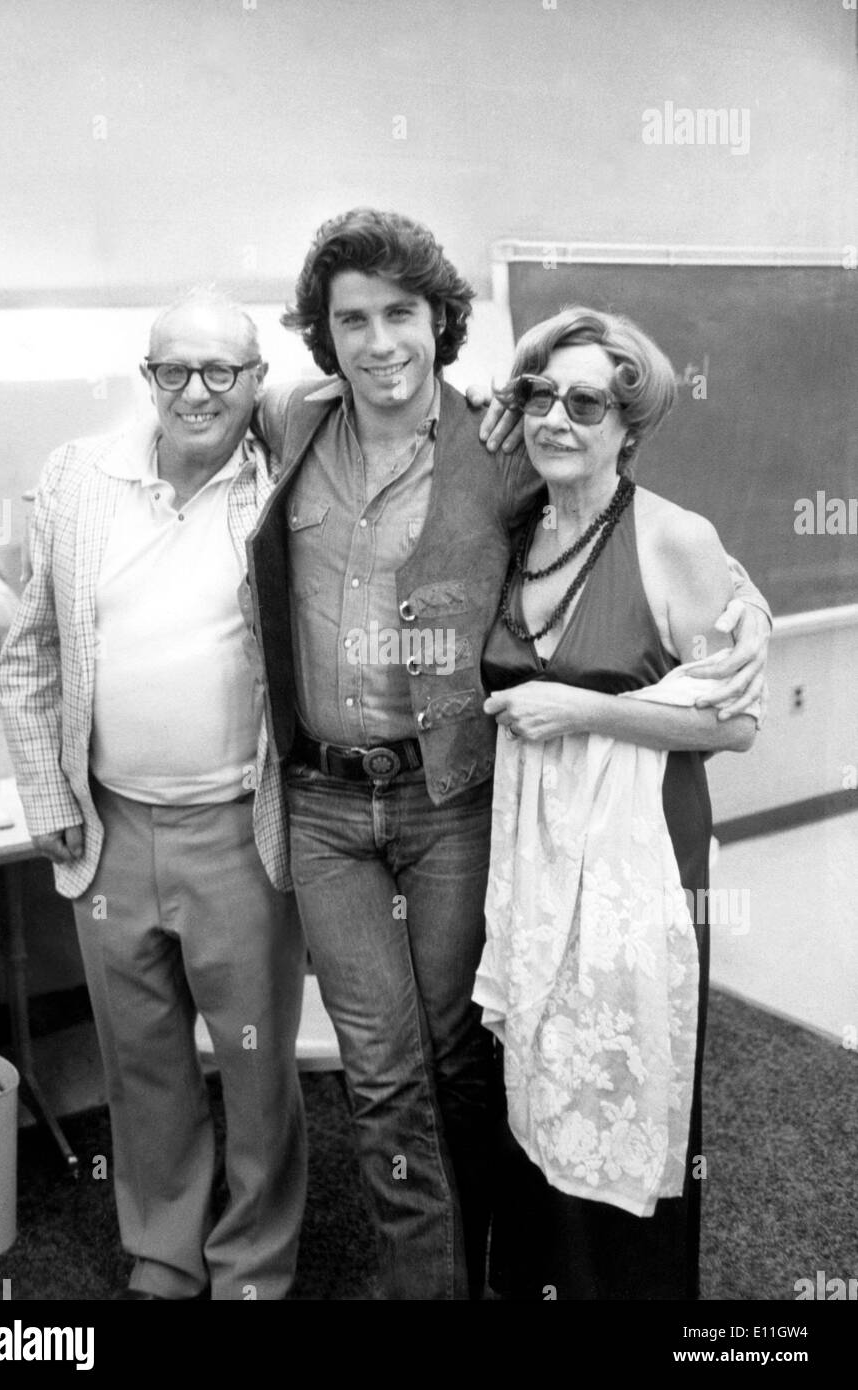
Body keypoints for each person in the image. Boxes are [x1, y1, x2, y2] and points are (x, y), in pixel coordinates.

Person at [244, 209, 771, 1299]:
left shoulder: (495, 448)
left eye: (402, 314)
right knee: (380, 1072)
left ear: (441, 322)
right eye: (352, 319)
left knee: (461, 1058)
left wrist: (748, 602)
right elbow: (198, 410)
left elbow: (622, 515)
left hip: (452, 799)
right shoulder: (292, 421)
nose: (379, 341)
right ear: (322, 334)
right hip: (325, 803)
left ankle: (489, 1265)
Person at [0, 290, 307, 1301]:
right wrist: (45, 785)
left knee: (256, 1067)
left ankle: (253, 1261)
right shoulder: (80, 476)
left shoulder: (285, 486)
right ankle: (166, 1251)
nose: (196, 391)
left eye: (223, 370)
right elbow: (30, 647)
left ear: (259, 381)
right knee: (143, 1061)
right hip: (112, 825)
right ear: (148, 377)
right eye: (173, 369)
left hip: (239, 831)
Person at [474, 306, 761, 1300]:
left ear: (630, 425)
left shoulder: (677, 537)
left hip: (640, 862)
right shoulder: (518, 522)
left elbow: (732, 722)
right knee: (541, 1077)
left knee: (625, 1078)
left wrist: (580, 708)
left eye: (586, 400)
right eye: (540, 395)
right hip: (534, 861)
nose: (558, 415)